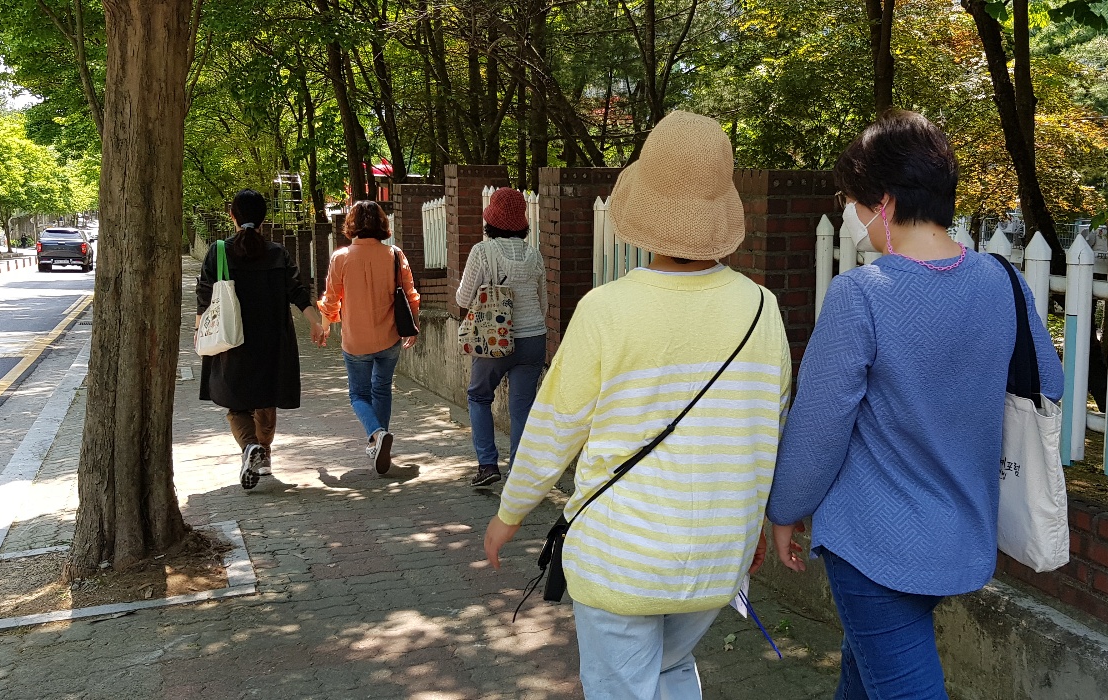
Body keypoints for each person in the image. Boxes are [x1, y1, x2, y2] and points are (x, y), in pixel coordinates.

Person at [483, 111, 790, 699]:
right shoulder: (761, 308)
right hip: (714, 557)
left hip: (620, 557)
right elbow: (767, 431)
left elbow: (554, 424)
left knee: (621, 687)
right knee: (671, 670)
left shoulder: (606, 310)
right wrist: (757, 523)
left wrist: (509, 514)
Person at [765, 111, 1064, 699]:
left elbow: (819, 425)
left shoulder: (861, 294)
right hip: (961, 529)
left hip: (872, 541)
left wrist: (786, 509)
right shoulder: (1002, 281)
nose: (851, 217)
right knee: (864, 676)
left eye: (853, 203)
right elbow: (1046, 384)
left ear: (884, 203)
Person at [196, 189, 326, 490]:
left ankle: (250, 448)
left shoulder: (219, 251)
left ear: (232, 215)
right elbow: (297, 291)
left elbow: (205, 293)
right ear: (264, 219)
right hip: (272, 340)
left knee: (236, 402)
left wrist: (199, 329)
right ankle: (263, 454)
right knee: (266, 399)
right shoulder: (277, 253)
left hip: (232, 340)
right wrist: (315, 322)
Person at [455, 187, 548, 487]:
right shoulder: (534, 255)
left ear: (490, 220)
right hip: (533, 338)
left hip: (494, 338)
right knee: (522, 407)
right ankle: (518, 474)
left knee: (479, 397)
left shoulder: (482, 252)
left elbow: (463, 298)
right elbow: (543, 304)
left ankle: (487, 465)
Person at [318, 200, 420, 474]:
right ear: (382, 224)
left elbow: (331, 300)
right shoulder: (394, 254)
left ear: (351, 225)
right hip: (389, 337)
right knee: (382, 389)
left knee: (358, 395)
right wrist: (414, 326)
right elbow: (410, 295)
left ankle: (376, 433)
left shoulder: (341, 258)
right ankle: (379, 443)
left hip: (355, 341)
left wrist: (326, 326)